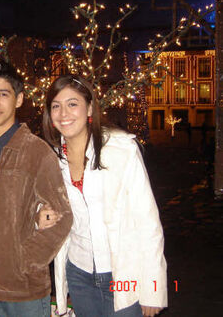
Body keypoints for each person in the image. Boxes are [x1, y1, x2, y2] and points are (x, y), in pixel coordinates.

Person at [39, 75, 167, 317]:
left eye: (72, 104)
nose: (63, 113)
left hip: (122, 274)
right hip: (78, 273)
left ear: (89, 107)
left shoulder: (120, 149)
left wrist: (153, 288)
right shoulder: (52, 158)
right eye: (56, 105)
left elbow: (148, 221)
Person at [0, 61, 73, 317]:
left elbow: (62, 215)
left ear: (19, 100)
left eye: (3, 94)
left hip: (23, 289)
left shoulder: (36, 152)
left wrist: (25, 260)